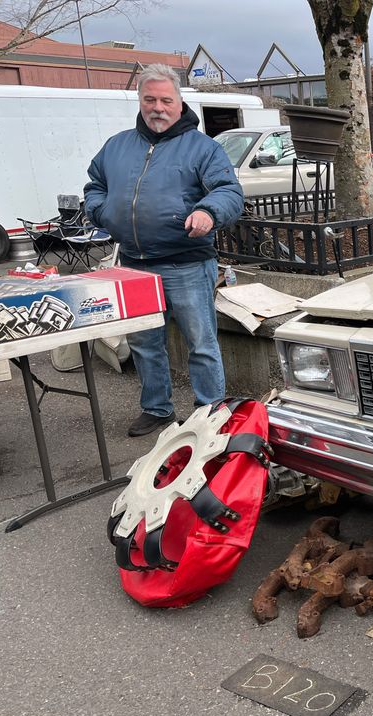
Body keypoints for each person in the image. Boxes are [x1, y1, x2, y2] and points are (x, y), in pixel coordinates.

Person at [84, 63, 244, 437]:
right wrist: (103, 212)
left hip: (186, 263)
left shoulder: (203, 148)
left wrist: (208, 211)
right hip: (135, 264)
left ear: (179, 102)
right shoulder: (117, 146)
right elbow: (95, 186)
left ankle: (209, 414)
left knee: (200, 343)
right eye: (150, 99)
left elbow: (229, 191)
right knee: (144, 343)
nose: (158, 107)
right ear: (140, 101)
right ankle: (157, 409)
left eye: (166, 100)